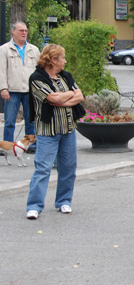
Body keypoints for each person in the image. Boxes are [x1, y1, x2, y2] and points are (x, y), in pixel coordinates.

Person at [26, 44, 85, 220]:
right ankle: (34, 206)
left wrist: (62, 99)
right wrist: (68, 96)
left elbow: (80, 96)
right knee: (43, 169)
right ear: (53, 60)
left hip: (68, 129)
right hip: (48, 131)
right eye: (63, 58)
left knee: (68, 168)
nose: (65, 61)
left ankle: (64, 201)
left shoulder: (65, 76)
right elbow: (52, 98)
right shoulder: (37, 78)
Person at [0, 21, 40, 152]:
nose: (24, 33)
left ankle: (31, 145)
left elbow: (39, 70)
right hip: (12, 90)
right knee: (10, 121)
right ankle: (7, 146)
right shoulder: (4, 49)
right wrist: (3, 88)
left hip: (30, 91)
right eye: (21, 30)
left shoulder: (33, 49)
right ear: (13, 31)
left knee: (30, 120)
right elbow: (2, 70)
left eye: (26, 31)